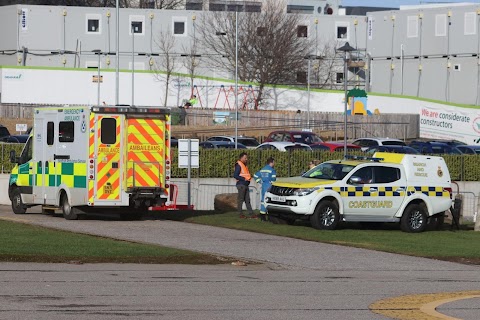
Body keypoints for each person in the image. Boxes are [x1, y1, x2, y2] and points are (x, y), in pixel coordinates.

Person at [254, 157, 276, 221]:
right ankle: (269, 215)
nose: (274, 164)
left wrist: (260, 181)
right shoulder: (272, 170)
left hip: (263, 186)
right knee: (270, 200)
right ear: (271, 162)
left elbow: (255, 176)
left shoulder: (263, 169)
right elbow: (273, 179)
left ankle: (262, 215)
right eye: (274, 162)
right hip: (269, 186)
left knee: (263, 200)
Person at [233, 152, 255, 219]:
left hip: (245, 185)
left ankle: (251, 214)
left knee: (247, 200)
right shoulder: (239, 165)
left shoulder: (244, 165)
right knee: (241, 200)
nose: (246, 159)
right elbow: (235, 175)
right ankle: (240, 214)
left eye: (246, 158)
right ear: (241, 158)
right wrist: (244, 179)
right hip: (241, 184)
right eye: (245, 158)